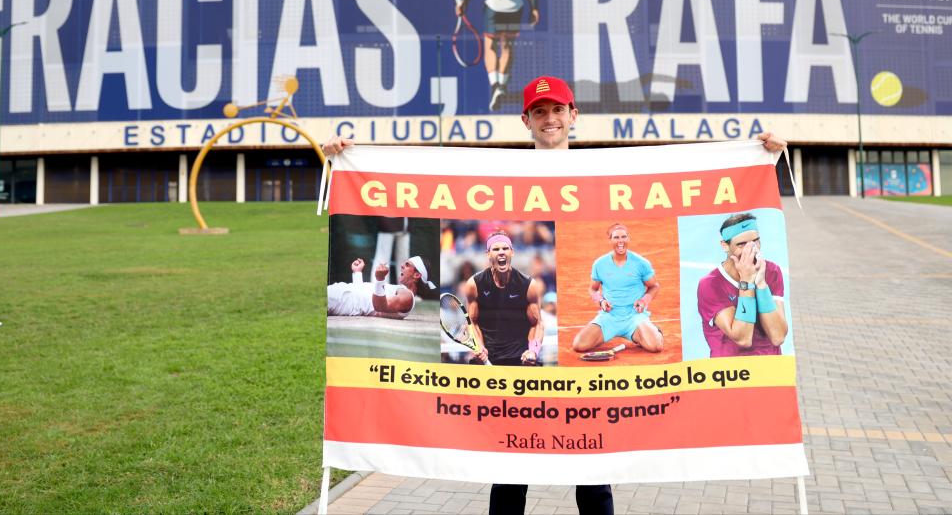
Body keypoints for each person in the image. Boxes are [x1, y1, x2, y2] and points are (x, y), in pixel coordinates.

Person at [322, 75, 788, 515]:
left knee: (594, 473)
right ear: (525, 121)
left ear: (573, 114)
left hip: (572, 384)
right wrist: (348, 158)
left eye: (557, 109)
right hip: (521, 380)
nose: (550, 118)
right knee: (508, 470)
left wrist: (758, 155)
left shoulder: (602, 173)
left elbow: (693, 174)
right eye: (539, 111)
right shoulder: (504, 175)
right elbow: (421, 178)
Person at [696, 212, 788, 356]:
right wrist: (746, 283)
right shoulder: (710, 284)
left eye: (755, 241)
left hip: (771, 368)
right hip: (732, 372)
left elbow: (778, 336)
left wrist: (761, 283)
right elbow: (743, 338)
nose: (751, 249)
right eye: (741, 244)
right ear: (725, 246)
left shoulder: (771, 271)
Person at [572, 223, 663, 354]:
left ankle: (654, 332)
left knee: (655, 347)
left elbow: (654, 286)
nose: (620, 241)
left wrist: (643, 301)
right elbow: (593, 289)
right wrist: (601, 301)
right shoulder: (599, 264)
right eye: (616, 238)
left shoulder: (641, 263)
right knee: (579, 345)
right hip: (609, 317)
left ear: (628, 239)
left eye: (623, 237)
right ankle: (639, 335)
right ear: (610, 240)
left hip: (634, 317)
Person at [460, 229, 544, 366]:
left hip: (521, 357)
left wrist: (533, 351)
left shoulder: (528, 285)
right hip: (487, 356)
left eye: (505, 248)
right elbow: (472, 323)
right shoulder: (474, 284)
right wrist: (479, 348)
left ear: (512, 252)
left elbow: (537, 323)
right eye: (496, 249)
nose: (501, 252)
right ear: (488, 254)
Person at [326, 256, 435, 319]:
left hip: (342, 300)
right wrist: (357, 273)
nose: (402, 265)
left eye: (407, 265)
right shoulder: (401, 291)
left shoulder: (408, 296)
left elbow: (379, 306)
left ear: (416, 275)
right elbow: (364, 299)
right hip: (343, 296)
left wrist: (380, 279)